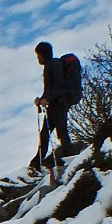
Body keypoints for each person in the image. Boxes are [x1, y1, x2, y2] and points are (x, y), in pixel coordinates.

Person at [31, 41, 74, 172]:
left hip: (59, 104)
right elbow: (50, 89)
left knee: (60, 131)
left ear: (43, 54)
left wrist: (47, 99)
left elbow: (58, 87)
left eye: (39, 55)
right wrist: (41, 99)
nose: (38, 58)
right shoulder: (50, 66)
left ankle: (69, 158)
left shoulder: (54, 64)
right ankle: (37, 162)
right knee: (46, 134)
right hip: (54, 105)